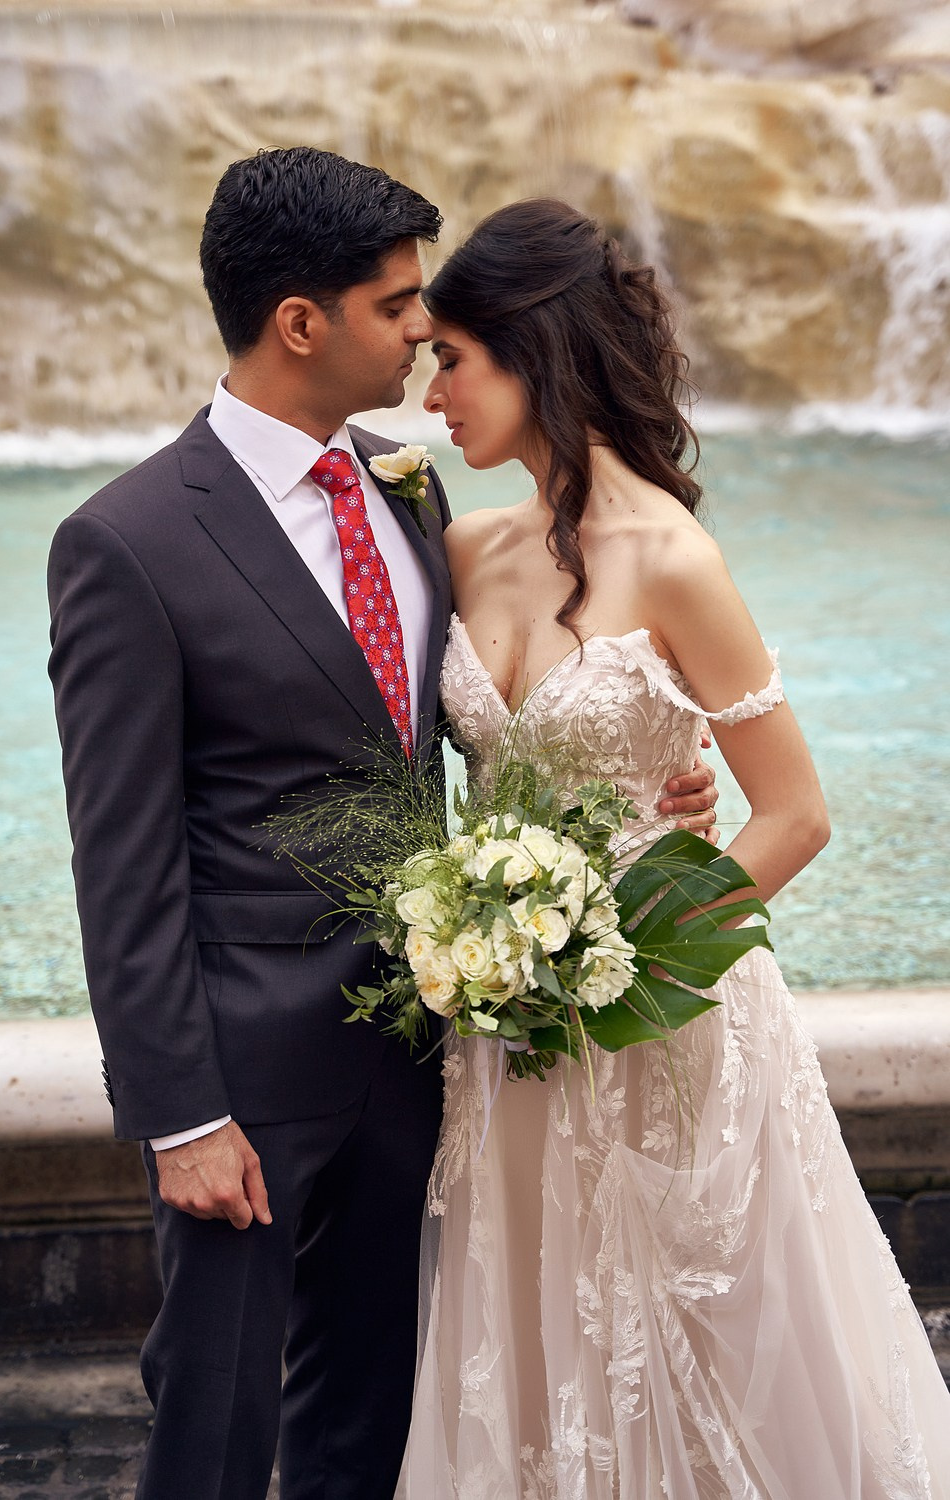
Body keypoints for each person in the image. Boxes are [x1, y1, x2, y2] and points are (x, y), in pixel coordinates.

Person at [46, 152, 718, 1500]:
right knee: (217, 1414)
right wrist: (181, 1118)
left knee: (373, 1409)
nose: (425, 331)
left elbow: (485, 729)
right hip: (245, 1080)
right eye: (399, 303)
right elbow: (120, 861)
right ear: (302, 322)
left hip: (428, 1048)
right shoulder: (124, 545)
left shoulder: (410, 490)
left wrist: (644, 790)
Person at [404, 198, 950, 1499]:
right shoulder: (462, 546)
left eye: (454, 357)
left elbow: (797, 813)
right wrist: (498, 942)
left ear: (533, 356)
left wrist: (627, 954)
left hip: (666, 1021)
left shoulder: (676, 561)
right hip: (506, 1023)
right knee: (528, 1344)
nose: (433, 395)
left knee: (695, 1332)